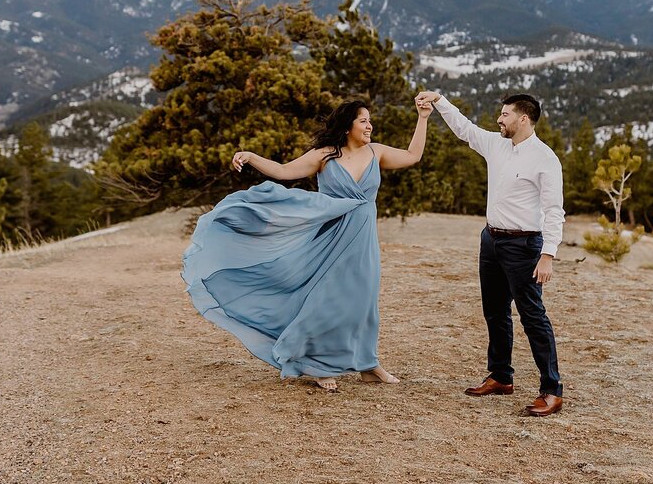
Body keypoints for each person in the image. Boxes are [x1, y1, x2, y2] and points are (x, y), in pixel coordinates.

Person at [182, 98, 433, 392]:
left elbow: (413, 155)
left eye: (369, 121)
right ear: (348, 125)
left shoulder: (376, 152)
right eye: (363, 120)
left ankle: (368, 364)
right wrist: (250, 156)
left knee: (364, 301)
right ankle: (317, 364)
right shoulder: (325, 155)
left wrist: (423, 117)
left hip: (363, 240)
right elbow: (283, 172)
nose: (370, 125)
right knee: (325, 299)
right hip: (330, 238)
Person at [415, 90, 566, 417]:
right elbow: (464, 128)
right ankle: (500, 376)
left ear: (523, 119)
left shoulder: (544, 158)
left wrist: (548, 254)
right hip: (491, 241)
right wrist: (440, 101)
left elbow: (554, 211)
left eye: (505, 115)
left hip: (524, 246)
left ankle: (552, 390)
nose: (499, 119)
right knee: (495, 312)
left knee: (532, 316)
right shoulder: (496, 144)